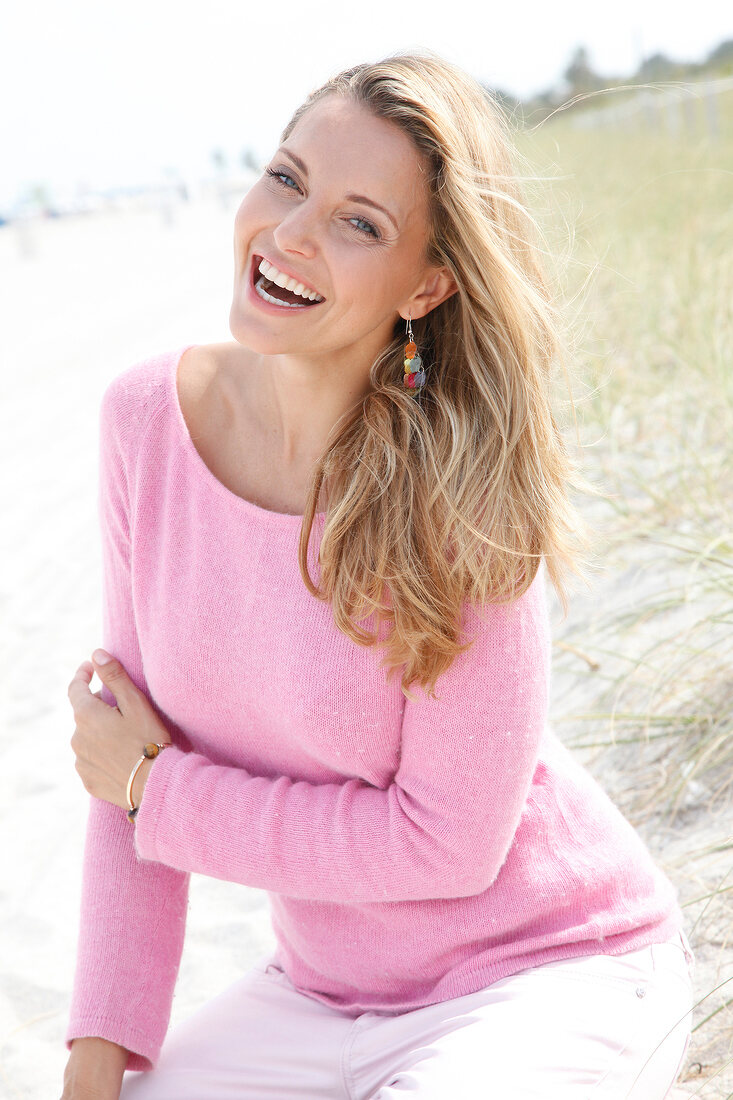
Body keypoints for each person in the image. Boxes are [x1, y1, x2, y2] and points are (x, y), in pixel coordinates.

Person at [62, 53, 695, 1100]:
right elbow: (119, 772)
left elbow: (445, 845)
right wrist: (91, 1066)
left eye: (358, 222)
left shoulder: (461, 490)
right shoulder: (144, 424)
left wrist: (155, 790)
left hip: (546, 968)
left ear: (428, 284)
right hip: (318, 994)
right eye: (285, 177)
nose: (293, 233)